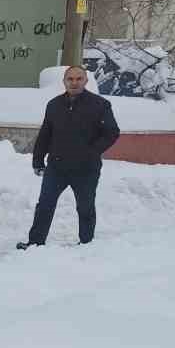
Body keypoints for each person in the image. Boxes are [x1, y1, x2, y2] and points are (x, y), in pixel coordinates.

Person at [18, 65, 120, 250]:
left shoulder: (100, 105)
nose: (74, 82)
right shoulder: (54, 105)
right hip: (57, 166)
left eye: (78, 79)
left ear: (86, 81)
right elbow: (45, 134)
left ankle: (86, 243)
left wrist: (91, 152)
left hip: (86, 168)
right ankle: (35, 242)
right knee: (45, 205)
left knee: (85, 206)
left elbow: (112, 133)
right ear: (64, 81)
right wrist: (38, 160)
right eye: (70, 79)